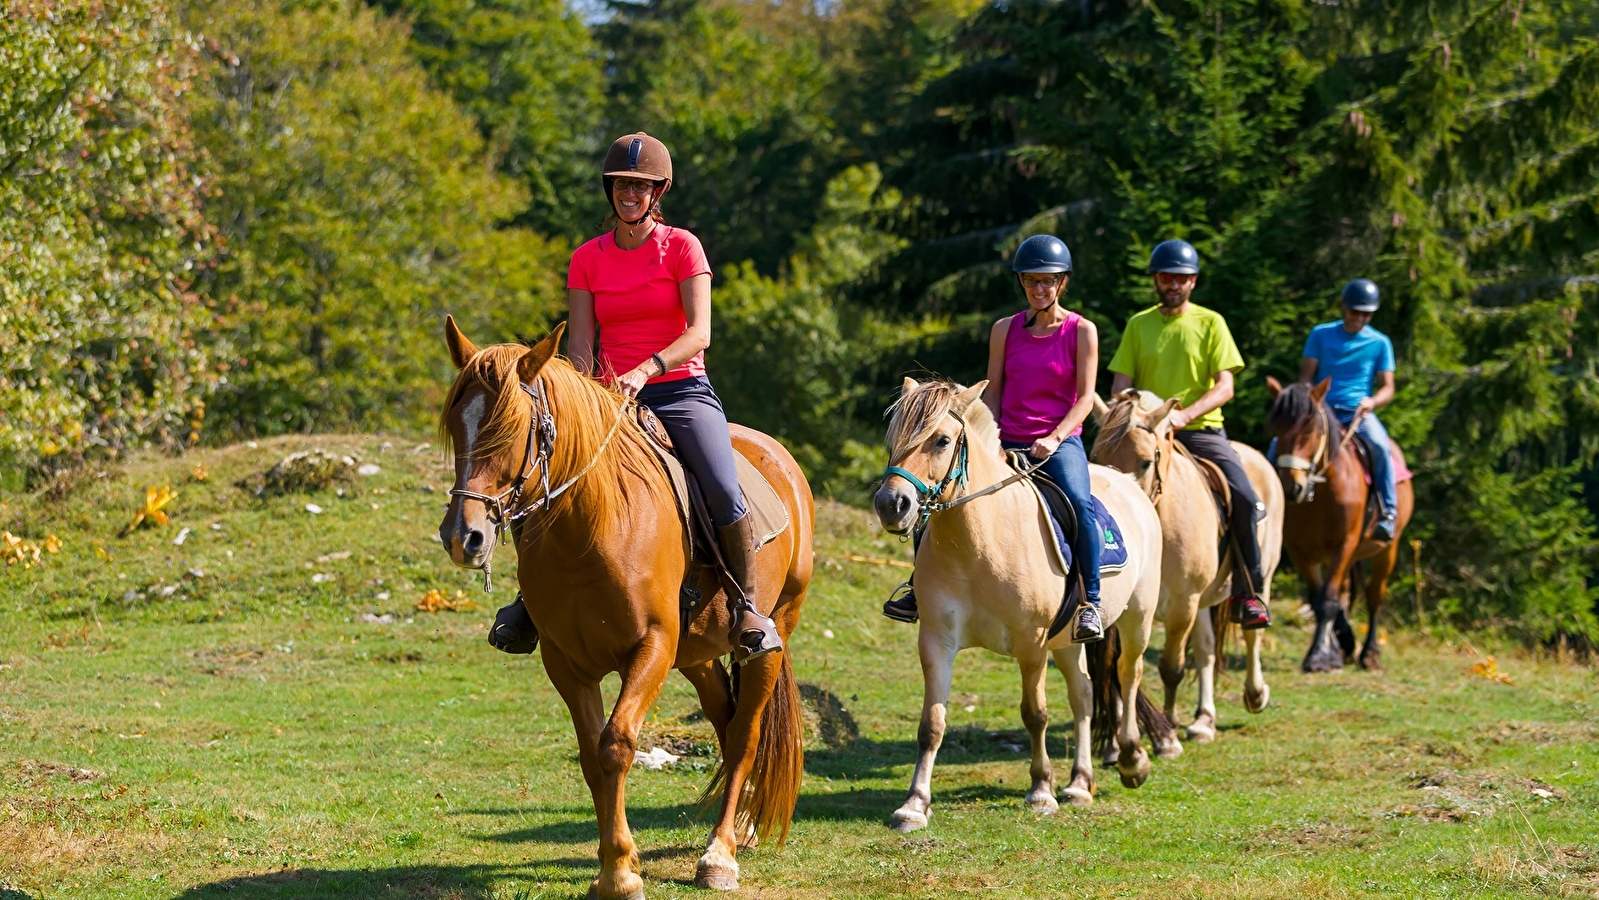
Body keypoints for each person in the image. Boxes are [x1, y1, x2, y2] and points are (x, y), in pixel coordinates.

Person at [488, 132, 783, 662]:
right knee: (545, 472)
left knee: (721, 486)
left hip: (680, 389)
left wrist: (647, 369)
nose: (630, 193)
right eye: (622, 184)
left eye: (640, 186)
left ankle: (747, 609)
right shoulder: (587, 258)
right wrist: (579, 397)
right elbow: (581, 345)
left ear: (657, 192)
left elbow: (699, 332)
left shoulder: (683, 247)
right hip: (608, 398)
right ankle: (528, 601)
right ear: (610, 189)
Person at [883, 234, 1106, 644]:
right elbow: (995, 391)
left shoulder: (1082, 331)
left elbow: (1086, 398)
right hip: (1007, 439)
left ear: (1063, 282)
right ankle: (918, 589)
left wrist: (1055, 438)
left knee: (1079, 502)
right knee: (937, 497)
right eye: (1031, 280)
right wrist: (993, 440)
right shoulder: (1004, 330)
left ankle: (1090, 601)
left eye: (1048, 280)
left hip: (1058, 443)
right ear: (1021, 282)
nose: (1039, 288)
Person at [1107, 239, 1271, 630]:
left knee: (1244, 496)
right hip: (1146, 433)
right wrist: (1132, 414)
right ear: (1156, 280)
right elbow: (1120, 387)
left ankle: (1249, 593)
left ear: (1193, 282)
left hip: (1199, 431)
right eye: (1166, 277)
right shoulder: (1138, 324)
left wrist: (1185, 415)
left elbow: (1225, 386)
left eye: (1181, 278)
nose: (1173, 284)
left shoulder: (1211, 322)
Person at [1299, 278, 1398, 540]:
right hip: (1323, 411)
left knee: (1380, 446)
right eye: (1355, 312)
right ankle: (1272, 499)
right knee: (1282, 443)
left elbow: (1388, 388)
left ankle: (1388, 513)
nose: (1360, 318)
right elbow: (1306, 377)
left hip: (1358, 412)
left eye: (1367, 314)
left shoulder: (1380, 343)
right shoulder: (1320, 334)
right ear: (1344, 307)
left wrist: (1372, 402)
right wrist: (1311, 400)